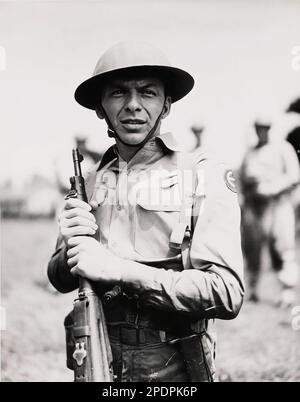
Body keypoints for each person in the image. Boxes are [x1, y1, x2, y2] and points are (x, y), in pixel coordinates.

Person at [48, 41, 244, 382]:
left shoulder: (202, 173)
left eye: (148, 92)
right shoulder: (89, 182)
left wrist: (118, 270)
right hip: (96, 357)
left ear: (166, 104)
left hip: (175, 367)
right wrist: (70, 247)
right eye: (119, 93)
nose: (133, 106)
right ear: (100, 107)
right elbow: (59, 277)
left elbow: (226, 293)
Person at [240, 118, 300, 306]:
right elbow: (242, 180)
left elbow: (294, 176)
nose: (262, 131)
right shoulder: (250, 153)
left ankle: (287, 291)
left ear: (270, 128)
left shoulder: (283, 148)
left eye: (265, 128)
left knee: (283, 248)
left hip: (279, 204)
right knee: (252, 250)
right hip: (256, 208)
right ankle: (253, 289)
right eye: (259, 128)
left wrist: (272, 188)